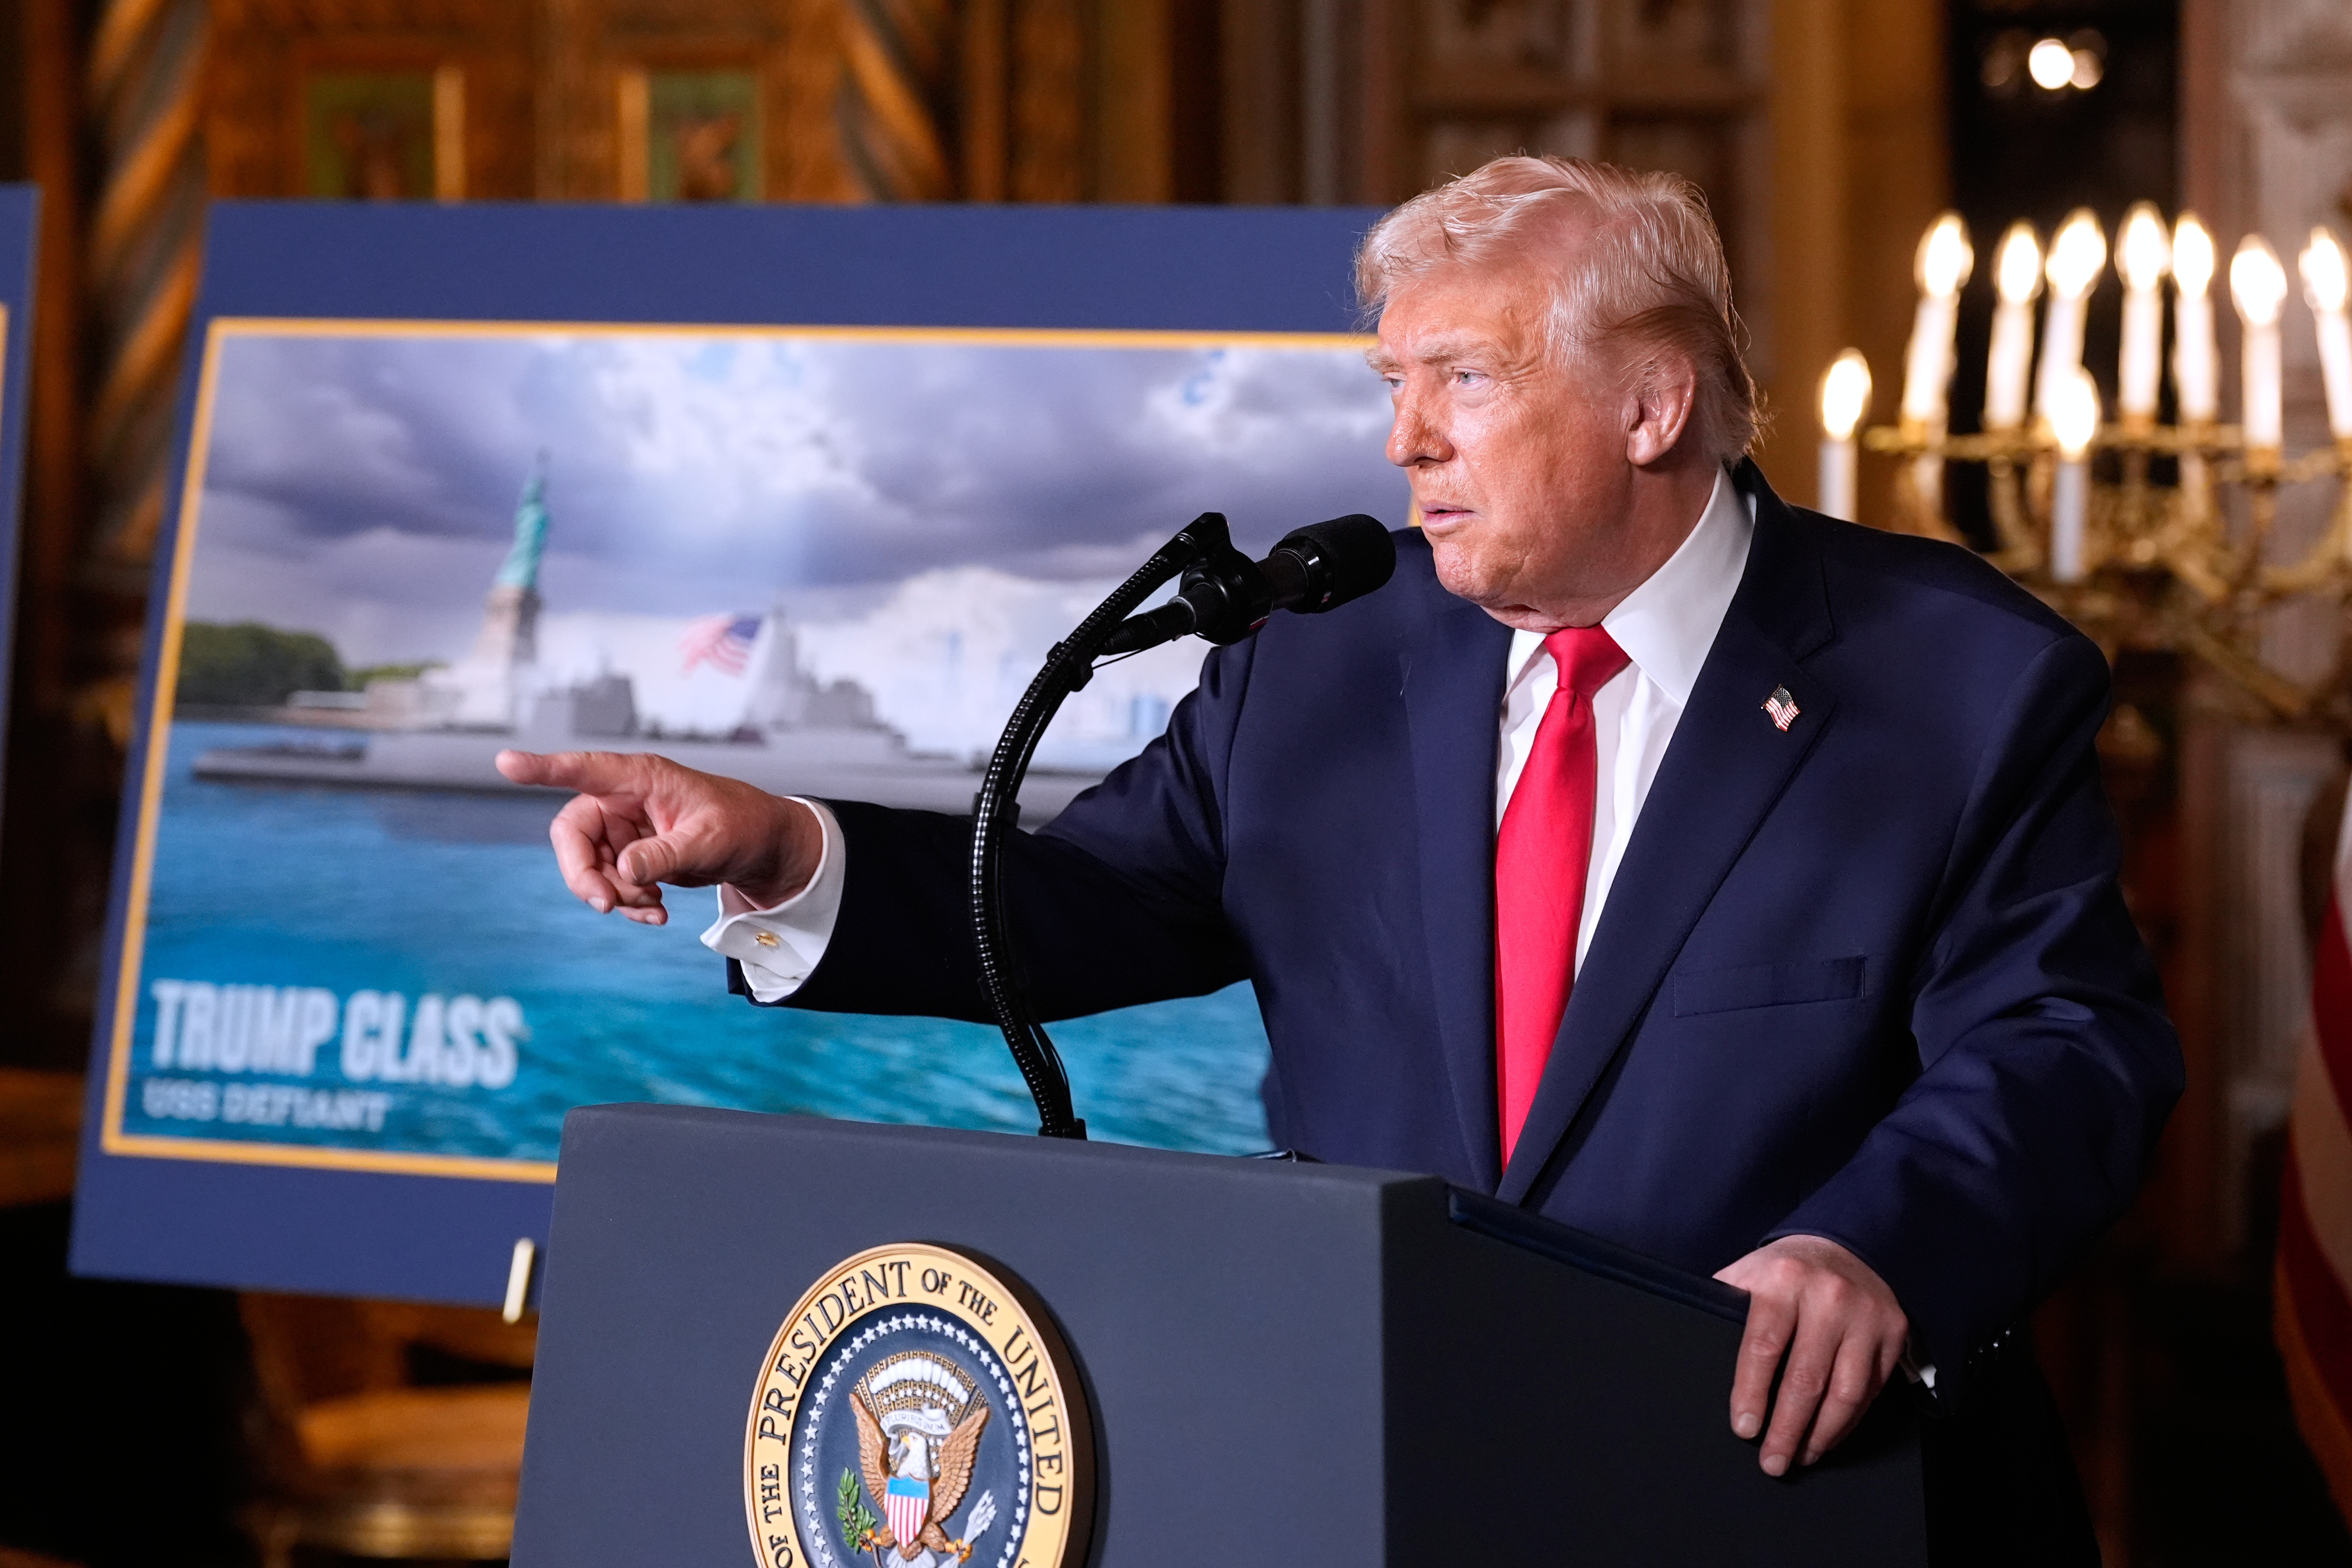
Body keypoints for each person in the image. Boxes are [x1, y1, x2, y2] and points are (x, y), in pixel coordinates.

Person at [499, 156, 2180, 1557]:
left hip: (1790, 1496)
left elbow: (2062, 1042)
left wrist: (1874, 1242)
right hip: (1379, 1482)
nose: (1405, 441)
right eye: (1394, 383)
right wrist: (785, 847)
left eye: (1464, 376)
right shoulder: (1327, 646)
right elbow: (1084, 906)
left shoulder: (1959, 676)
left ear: (1652, 405)